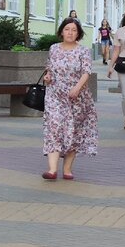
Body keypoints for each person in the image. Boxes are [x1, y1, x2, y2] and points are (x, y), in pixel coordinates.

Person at [41, 16, 98, 180]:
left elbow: (86, 72)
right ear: (61, 32)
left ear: (78, 33)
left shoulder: (83, 51)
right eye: (67, 29)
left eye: (74, 30)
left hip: (77, 98)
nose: (70, 33)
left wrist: (77, 88)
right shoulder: (54, 49)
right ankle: (52, 170)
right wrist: (48, 76)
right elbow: (49, 68)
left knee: (73, 131)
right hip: (55, 96)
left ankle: (67, 168)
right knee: (54, 128)